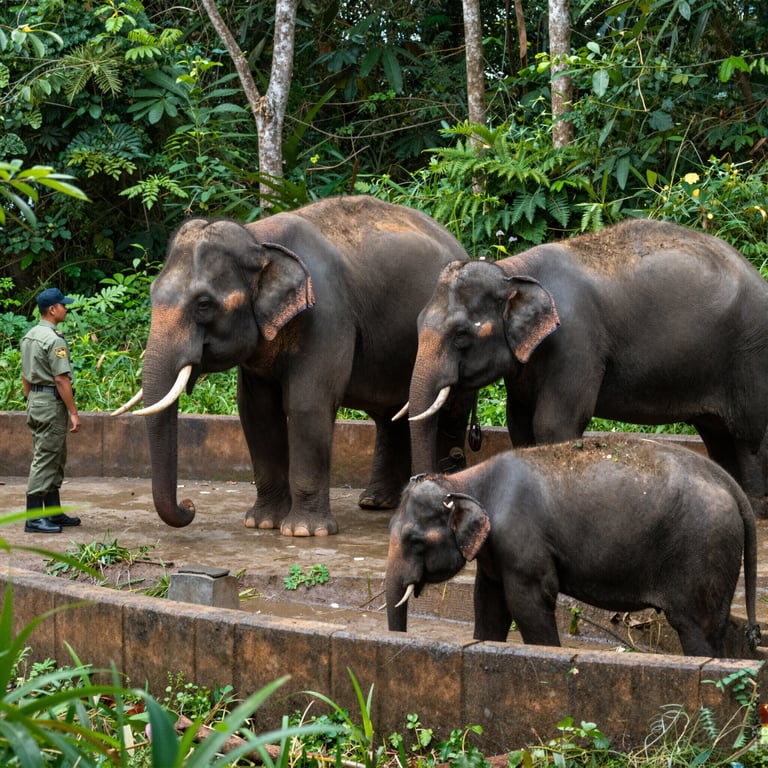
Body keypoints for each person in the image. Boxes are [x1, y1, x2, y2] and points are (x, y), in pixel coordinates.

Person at [21, 287, 82, 533]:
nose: (66, 308)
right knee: (46, 458)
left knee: (53, 456)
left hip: (36, 401)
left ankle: (53, 513)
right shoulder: (54, 339)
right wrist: (73, 412)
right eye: (63, 305)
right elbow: (61, 380)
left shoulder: (30, 336)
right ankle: (34, 518)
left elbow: (25, 375)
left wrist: (32, 399)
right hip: (50, 404)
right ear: (52, 309)